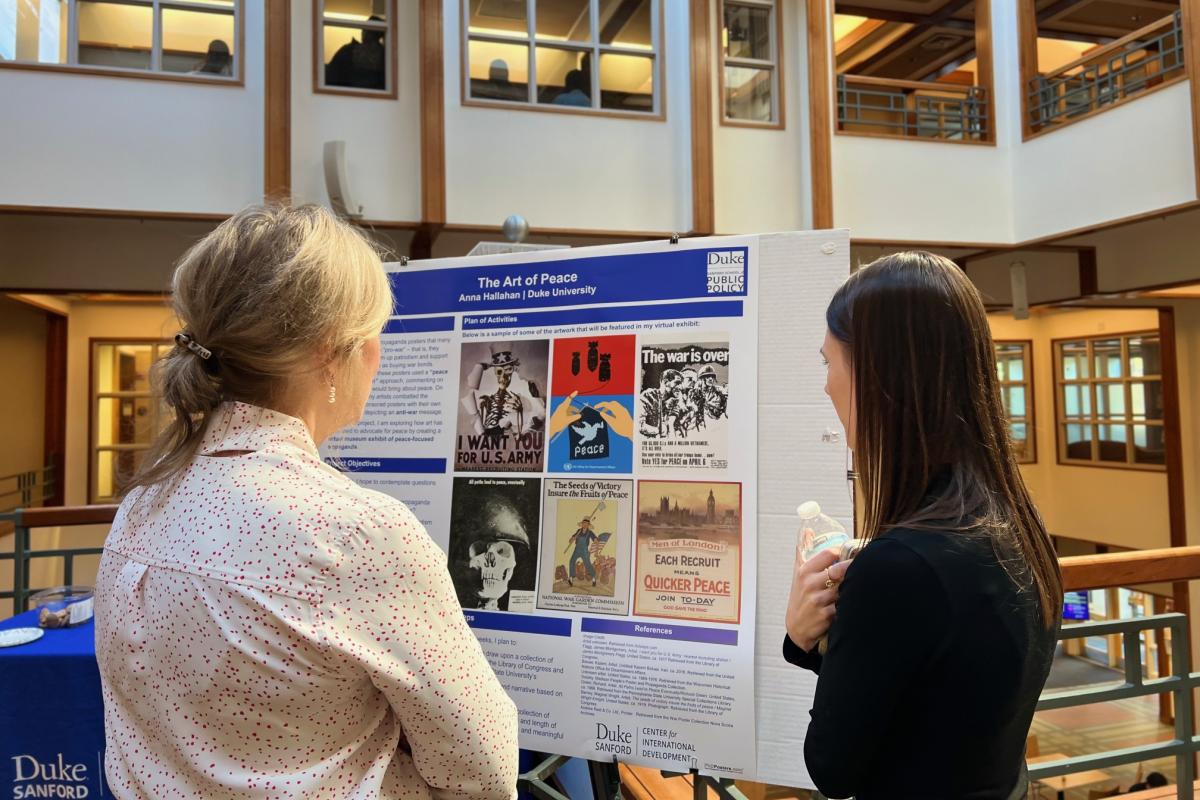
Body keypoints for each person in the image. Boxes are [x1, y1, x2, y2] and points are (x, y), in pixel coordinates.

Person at [94, 204, 518, 799]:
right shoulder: (353, 534)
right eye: (375, 333)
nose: (379, 352)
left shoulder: (143, 502)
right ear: (330, 352)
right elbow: (484, 771)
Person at [783, 251, 1062, 799]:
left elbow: (833, 769)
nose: (826, 387)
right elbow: (934, 703)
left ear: (880, 375)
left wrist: (802, 634)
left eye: (829, 363)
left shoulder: (899, 568)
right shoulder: (1015, 525)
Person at [461, 341, 546, 438]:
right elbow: (468, 397)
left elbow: (541, 414)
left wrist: (522, 432)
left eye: (508, 370)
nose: (504, 378)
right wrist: (480, 366)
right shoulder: (484, 397)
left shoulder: (525, 389)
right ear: (495, 372)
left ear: (513, 370)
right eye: (499, 372)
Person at [325, 18, 386, 90]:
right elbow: (331, 77)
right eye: (364, 29)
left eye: (366, 29)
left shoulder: (385, 55)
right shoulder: (348, 50)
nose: (363, 31)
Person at [564, 517, 599, 586]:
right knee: (572, 561)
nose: (585, 525)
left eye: (586, 523)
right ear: (582, 524)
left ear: (588, 525)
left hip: (584, 550)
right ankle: (571, 578)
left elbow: (596, 540)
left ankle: (594, 577)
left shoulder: (590, 532)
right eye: (584, 523)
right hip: (577, 549)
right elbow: (571, 540)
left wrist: (596, 547)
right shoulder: (578, 531)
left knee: (587, 564)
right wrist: (572, 539)